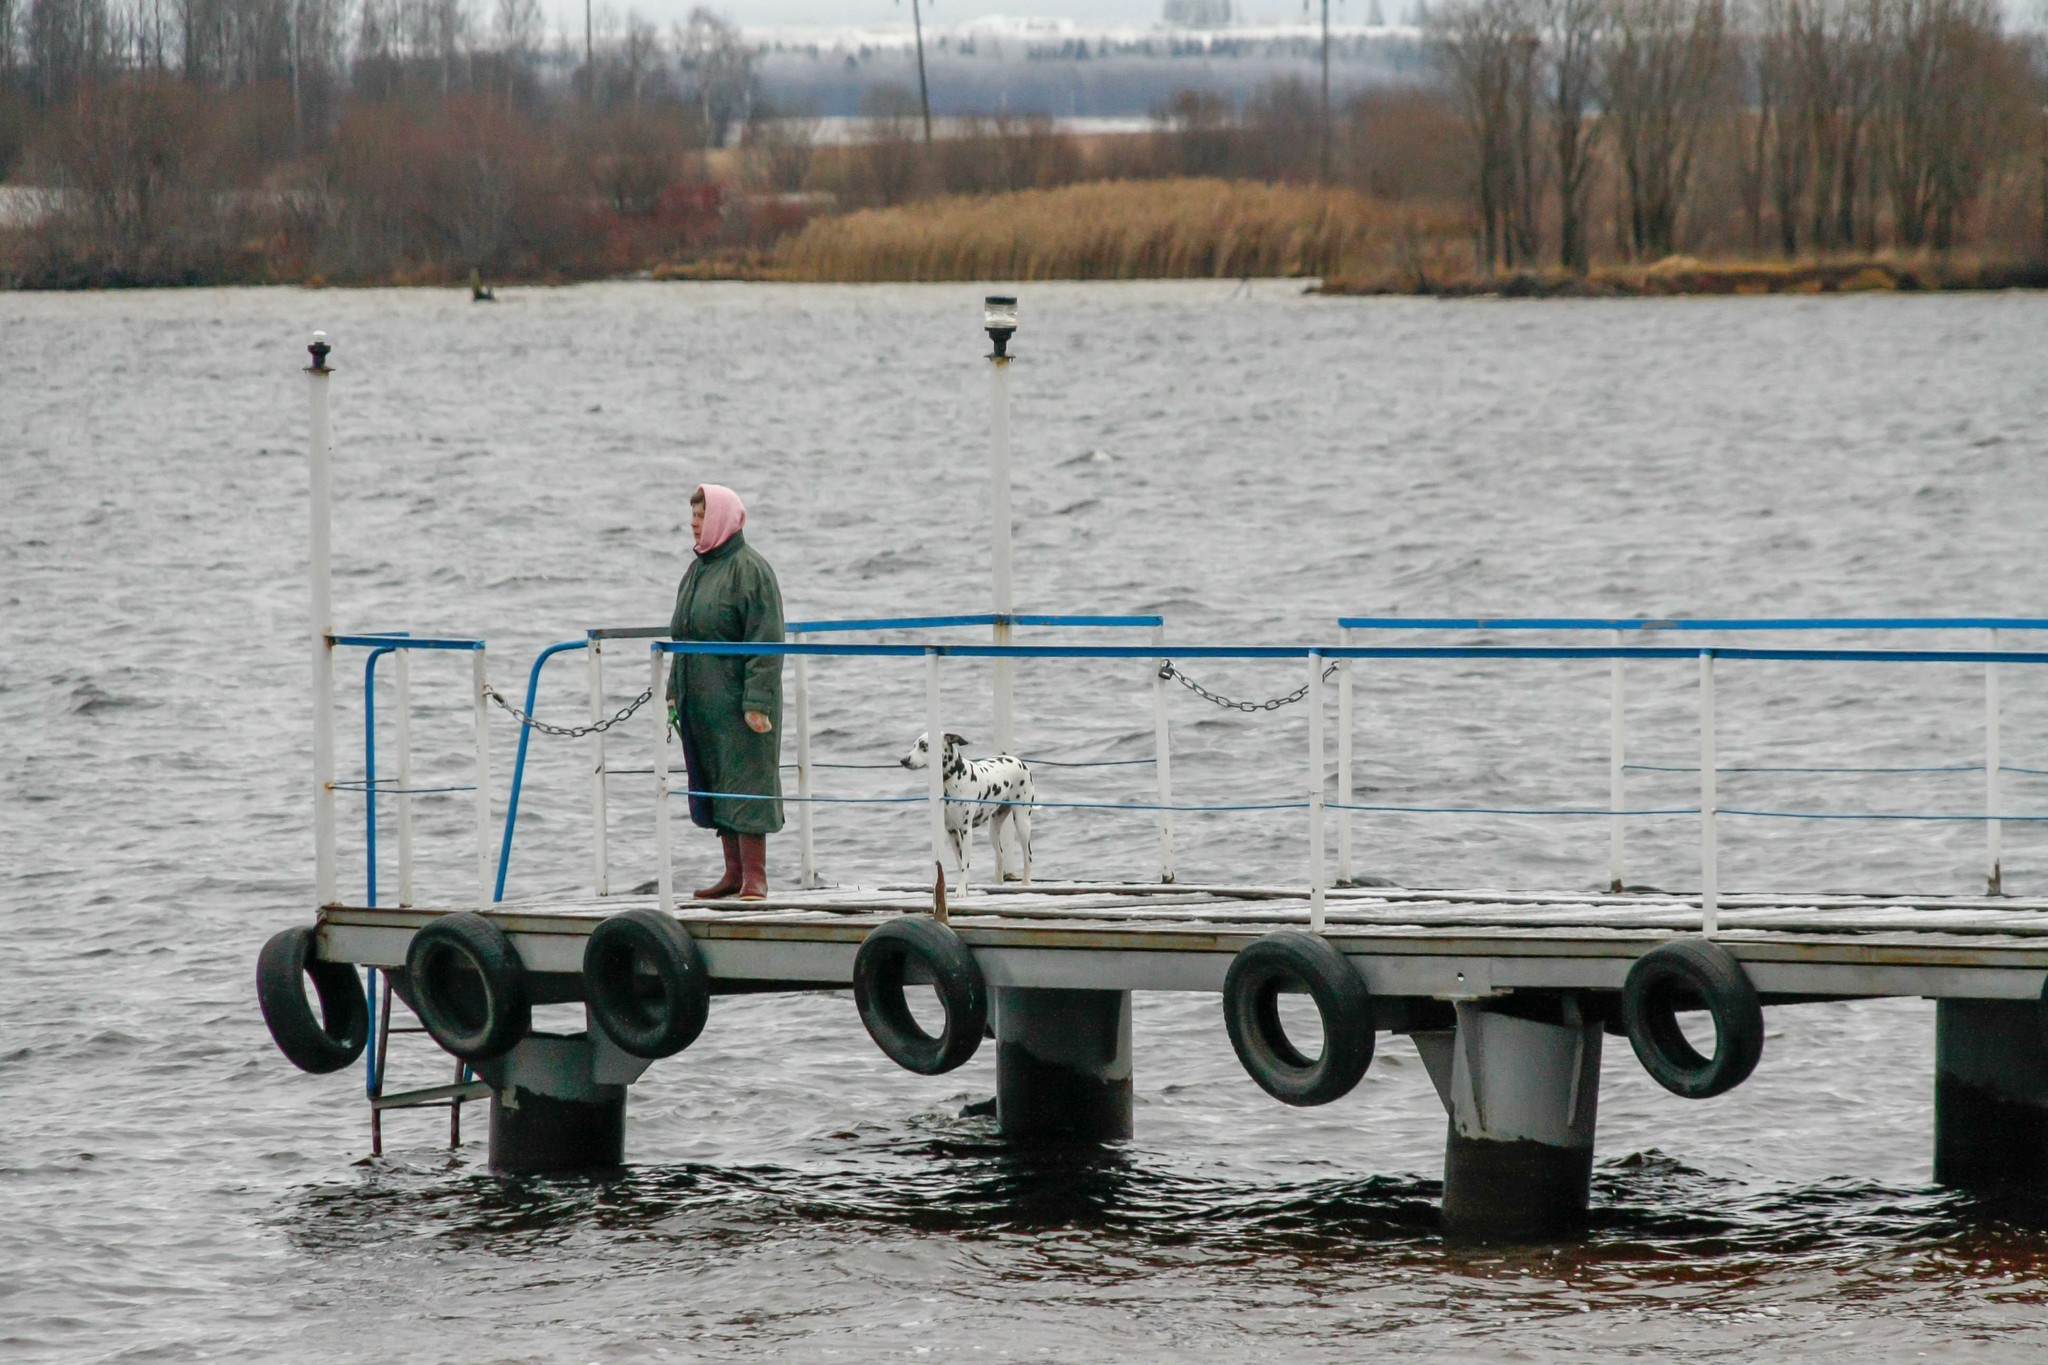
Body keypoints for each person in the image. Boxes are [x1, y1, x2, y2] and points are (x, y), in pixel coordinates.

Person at [667, 484, 784, 900]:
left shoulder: (751, 570)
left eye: (701, 515)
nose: (694, 523)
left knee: (747, 778)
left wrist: (757, 701)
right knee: (714, 779)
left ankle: (756, 877)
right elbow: (681, 636)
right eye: (692, 516)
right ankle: (732, 873)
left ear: (721, 519)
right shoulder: (697, 570)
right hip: (700, 699)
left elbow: (766, 641)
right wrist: (672, 692)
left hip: (738, 702)